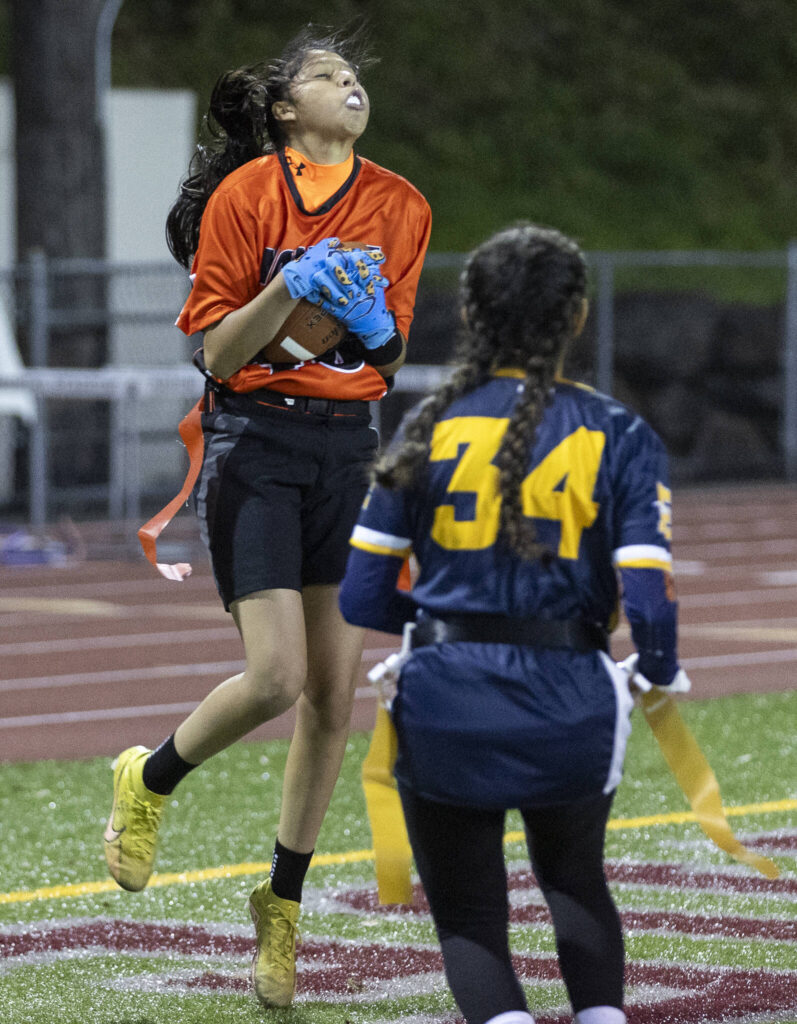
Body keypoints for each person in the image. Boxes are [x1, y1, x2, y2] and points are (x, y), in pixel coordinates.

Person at [102, 24, 431, 1010]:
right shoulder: (247, 198)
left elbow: (385, 359)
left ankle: (278, 910)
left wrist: (371, 332)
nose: (349, 84)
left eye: (356, 74)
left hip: (347, 448)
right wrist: (287, 292)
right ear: (287, 110)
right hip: (256, 442)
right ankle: (148, 777)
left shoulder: (398, 204)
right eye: (328, 75)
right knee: (277, 676)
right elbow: (214, 354)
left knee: (333, 698)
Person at [338, 222, 691, 1024]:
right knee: (575, 882)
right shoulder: (619, 431)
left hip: (445, 698)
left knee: (468, 916)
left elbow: (360, 597)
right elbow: (645, 595)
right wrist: (659, 666)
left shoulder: (425, 424)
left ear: (470, 315)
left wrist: (438, 625)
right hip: (570, 695)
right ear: (576, 317)